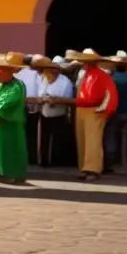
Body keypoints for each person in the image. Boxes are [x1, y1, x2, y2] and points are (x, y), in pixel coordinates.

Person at [64, 48, 118, 181]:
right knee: (82, 139)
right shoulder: (85, 75)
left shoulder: (102, 75)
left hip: (94, 110)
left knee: (93, 141)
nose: (85, 64)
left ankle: (93, 169)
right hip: (81, 109)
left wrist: (105, 108)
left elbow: (111, 93)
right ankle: (84, 167)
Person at [0, 53, 29, 184]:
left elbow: (7, 102)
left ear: (9, 72)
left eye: (0, 71)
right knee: (1, 148)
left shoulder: (17, 85)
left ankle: (15, 174)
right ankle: (4, 173)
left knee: (12, 148)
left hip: (11, 123)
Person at [34, 55, 74, 167]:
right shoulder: (44, 80)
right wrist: (41, 99)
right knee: (44, 139)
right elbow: (39, 95)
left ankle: (57, 161)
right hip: (45, 113)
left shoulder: (65, 82)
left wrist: (55, 100)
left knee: (58, 139)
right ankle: (44, 161)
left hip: (58, 114)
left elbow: (68, 99)